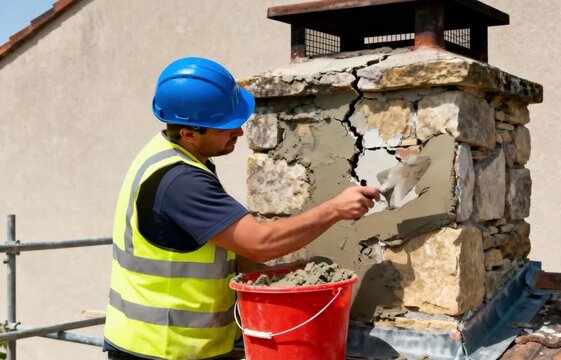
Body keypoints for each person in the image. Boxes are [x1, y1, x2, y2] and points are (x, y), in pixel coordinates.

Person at [102, 57, 380, 360]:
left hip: (160, 345)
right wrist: (336, 209)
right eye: (227, 126)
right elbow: (260, 244)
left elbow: (225, 245)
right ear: (189, 133)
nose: (240, 133)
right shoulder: (181, 181)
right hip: (165, 348)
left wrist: (276, 281)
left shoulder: (167, 154)